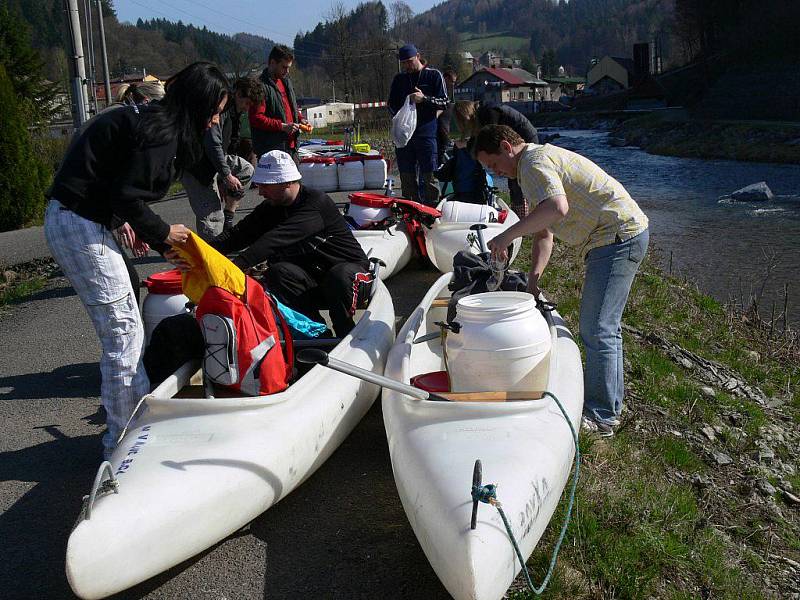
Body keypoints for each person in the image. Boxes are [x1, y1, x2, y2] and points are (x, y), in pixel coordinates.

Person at [45, 62, 230, 459]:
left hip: (85, 218)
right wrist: (164, 233)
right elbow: (126, 197)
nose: (215, 122)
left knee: (127, 324)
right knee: (123, 332)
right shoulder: (159, 134)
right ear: (197, 107)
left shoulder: (154, 124)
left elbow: (117, 188)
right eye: (214, 112)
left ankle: (129, 428)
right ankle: (123, 443)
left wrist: (155, 240)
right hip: (77, 222)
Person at [474, 125, 649, 437]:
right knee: (605, 327)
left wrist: (506, 236)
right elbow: (545, 232)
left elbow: (557, 207)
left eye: (493, 165)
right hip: (617, 236)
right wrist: (533, 282)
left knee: (598, 328)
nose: (497, 173)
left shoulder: (532, 164)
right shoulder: (531, 166)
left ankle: (602, 417)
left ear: (505, 147)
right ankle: (611, 406)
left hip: (617, 237)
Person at [206, 150, 370, 337]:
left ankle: (345, 334)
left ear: (285, 183)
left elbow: (274, 240)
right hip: (315, 282)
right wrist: (199, 250)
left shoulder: (315, 203)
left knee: (337, 276)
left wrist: (235, 267)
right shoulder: (270, 208)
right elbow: (236, 236)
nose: (260, 192)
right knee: (278, 272)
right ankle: (317, 335)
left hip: (351, 277)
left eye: (265, 186)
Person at [183, 78, 263, 240]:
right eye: (246, 103)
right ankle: (215, 249)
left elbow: (229, 143)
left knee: (246, 169)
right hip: (197, 164)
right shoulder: (220, 108)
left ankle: (229, 214)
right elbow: (213, 144)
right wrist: (226, 175)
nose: (247, 109)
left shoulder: (234, 112)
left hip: (215, 159)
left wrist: (224, 178)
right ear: (238, 94)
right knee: (212, 217)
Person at [388, 44, 448, 205]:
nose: (407, 66)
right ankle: (410, 208)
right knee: (406, 175)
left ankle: (433, 209)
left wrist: (425, 99)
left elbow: (445, 102)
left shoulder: (433, 75)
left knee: (430, 175)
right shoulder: (399, 79)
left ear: (418, 56)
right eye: (404, 63)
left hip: (426, 133)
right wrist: (399, 119)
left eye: (410, 61)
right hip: (404, 137)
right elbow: (391, 104)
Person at [454, 100, 538, 216]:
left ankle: (523, 215)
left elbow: (491, 137)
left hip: (524, 139)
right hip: (520, 137)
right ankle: (520, 212)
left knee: (518, 179)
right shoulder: (483, 112)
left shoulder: (488, 113)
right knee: (513, 178)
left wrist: (466, 145)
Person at [249, 44, 308, 164]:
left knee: (295, 183)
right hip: (272, 151)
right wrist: (282, 126)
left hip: (291, 147)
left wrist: (300, 119)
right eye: (284, 67)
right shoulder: (260, 86)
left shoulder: (286, 82)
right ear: (272, 63)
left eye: (289, 67)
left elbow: (290, 107)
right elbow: (256, 118)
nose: (287, 71)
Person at [436, 69, 458, 166]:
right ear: (446, 78)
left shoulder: (448, 92)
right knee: (440, 150)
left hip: (446, 126)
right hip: (440, 126)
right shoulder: (438, 88)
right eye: (452, 81)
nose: (453, 84)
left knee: (443, 149)